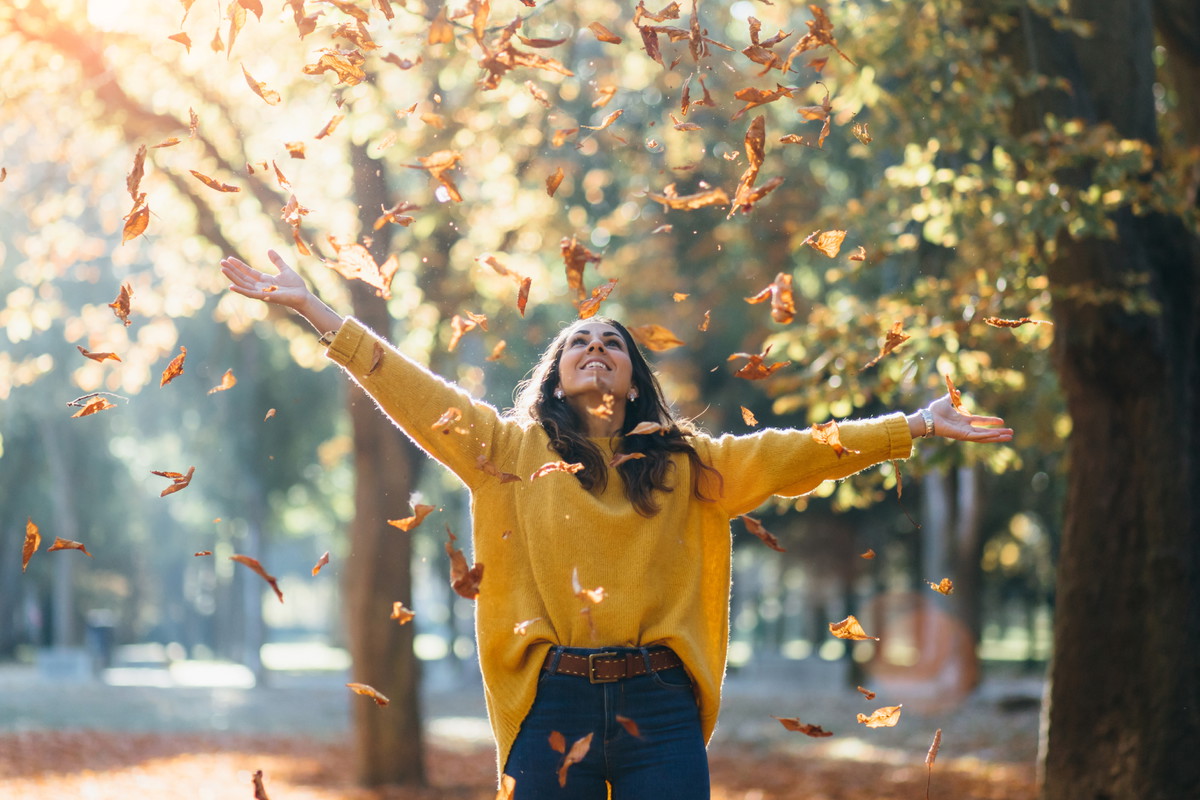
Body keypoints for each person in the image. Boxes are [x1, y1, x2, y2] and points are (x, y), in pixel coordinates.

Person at [220, 250, 1013, 799]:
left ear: (633, 381)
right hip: (549, 701)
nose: (595, 347)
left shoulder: (687, 464)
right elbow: (413, 392)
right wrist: (315, 310)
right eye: (578, 342)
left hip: (660, 706)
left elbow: (804, 451)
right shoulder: (504, 450)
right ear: (556, 376)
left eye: (612, 344)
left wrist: (916, 424)